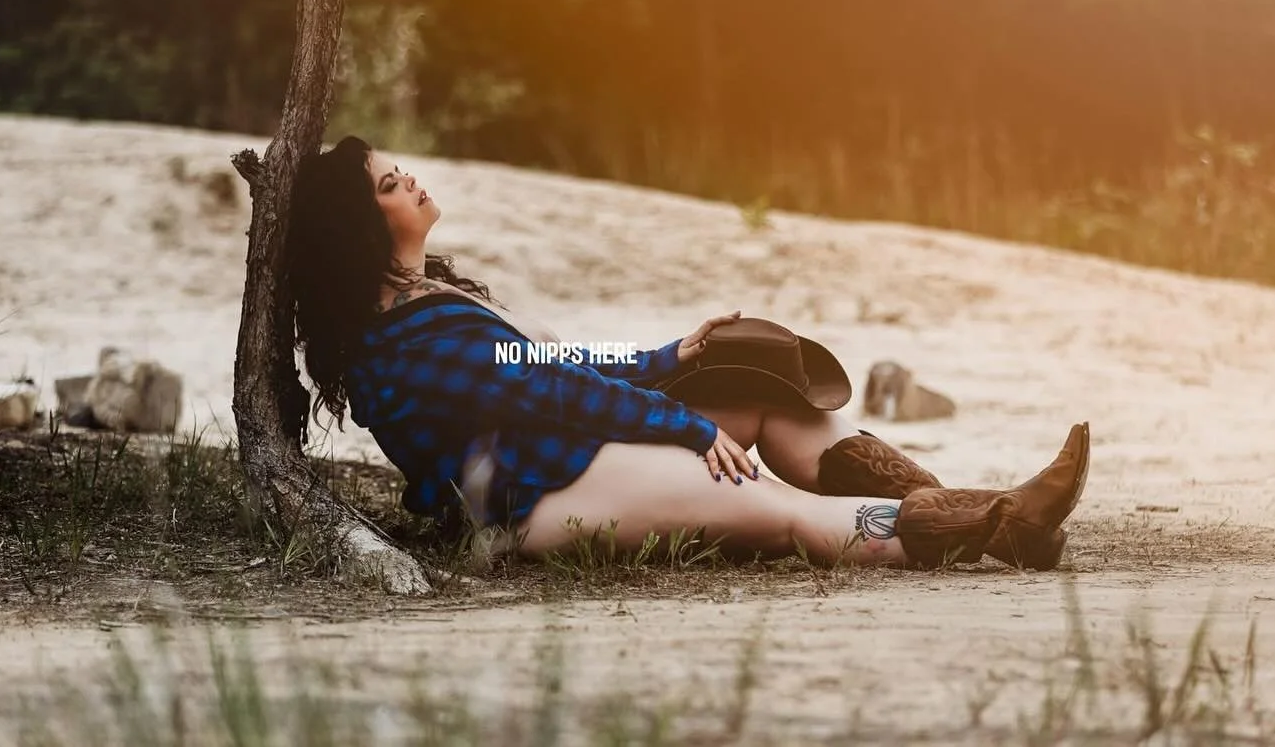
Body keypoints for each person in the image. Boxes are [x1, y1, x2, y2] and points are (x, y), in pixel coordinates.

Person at [284, 136, 1091, 572]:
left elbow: (563, 362)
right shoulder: (401, 344)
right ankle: (999, 523)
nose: (410, 179)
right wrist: (683, 423)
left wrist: (671, 353)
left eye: (397, 170)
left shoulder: (433, 298)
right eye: (389, 184)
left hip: (569, 447)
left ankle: (1003, 521)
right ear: (360, 228)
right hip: (539, 497)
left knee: (760, 388)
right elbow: (549, 387)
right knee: (782, 514)